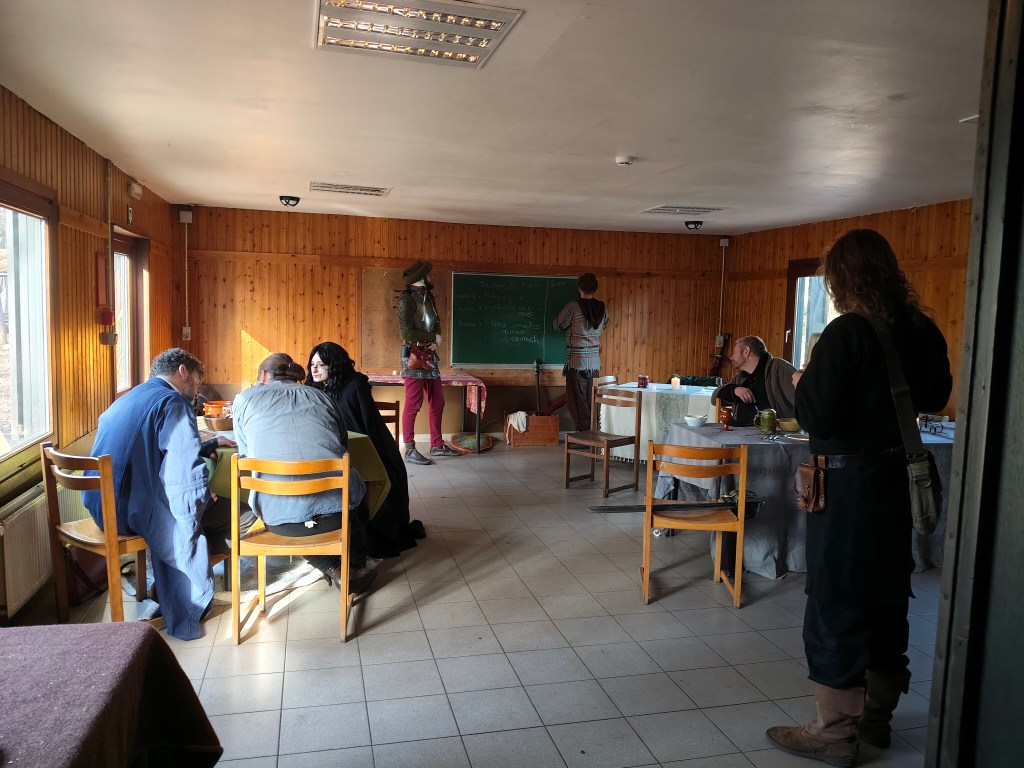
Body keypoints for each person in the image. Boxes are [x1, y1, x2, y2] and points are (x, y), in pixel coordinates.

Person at [765, 229, 952, 766]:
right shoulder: (920, 327)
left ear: (841, 279)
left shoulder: (847, 331)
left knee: (836, 601)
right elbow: (936, 394)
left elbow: (817, 417)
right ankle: (876, 720)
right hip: (897, 484)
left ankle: (833, 733)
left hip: (845, 490)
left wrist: (803, 383)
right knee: (888, 596)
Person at [84, 348, 235, 641]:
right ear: (182, 371)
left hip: (100, 505)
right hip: (129, 512)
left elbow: (144, 448)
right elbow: (184, 472)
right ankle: (188, 593)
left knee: (199, 506)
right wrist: (204, 495)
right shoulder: (174, 403)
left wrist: (207, 445)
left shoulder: (129, 397)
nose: (197, 389)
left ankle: (174, 580)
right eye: (196, 381)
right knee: (233, 511)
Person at [232, 353, 377, 594]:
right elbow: (342, 445)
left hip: (278, 521)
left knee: (289, 506)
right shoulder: (321, 396)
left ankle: (336, 569)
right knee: (358, 487)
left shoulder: (245, 399)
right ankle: (353, 565)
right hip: (337, 515)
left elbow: (246, 453)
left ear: (264, 376)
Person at [305, 341, 426, 558]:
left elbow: (368, 424)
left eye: (321, 365)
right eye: (312, 364)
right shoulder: (315, 389)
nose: (315, 369)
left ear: (335, 365)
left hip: (364, 447)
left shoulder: (355, 386)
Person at [397, 260, 460, 464]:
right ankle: (409, 450)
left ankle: (437, 445)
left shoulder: (428, 296)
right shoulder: (406, 300)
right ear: (421, 278)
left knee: (438, 401)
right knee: (413, 404)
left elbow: (437, 322)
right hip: (413, 356)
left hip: (430, 354)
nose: (432, 277)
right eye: (429, 274)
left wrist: (436, 339)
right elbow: (406, 333)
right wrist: (433, 336)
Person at [553, 272, 609, 431]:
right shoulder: (602, 307)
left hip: (576, 362)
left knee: (577, 402)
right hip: (594, 363)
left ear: (580, 288)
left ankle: (584, 434)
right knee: (591, 400)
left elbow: (557, 325)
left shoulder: (572, 307)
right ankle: (592, 432)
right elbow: (605, 325)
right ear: (595, 289)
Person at [713, 335, 797, 425]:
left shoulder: (778, 369)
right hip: (739, 430)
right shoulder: (740, 377)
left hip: (771, 431)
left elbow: (801, 400)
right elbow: (714, 399)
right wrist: (734, 390)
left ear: (746, 351)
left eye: (734, 352)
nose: (731, 357)